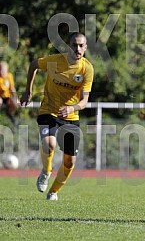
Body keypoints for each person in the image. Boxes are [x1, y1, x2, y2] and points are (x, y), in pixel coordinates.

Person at [20, 32, 94, 201]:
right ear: (69, 46)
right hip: (49, 110)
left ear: (85, 48)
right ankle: (46, 171)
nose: (77, 48)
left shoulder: (87, 69)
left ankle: (53, 192)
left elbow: (84, 102)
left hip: (71, 116)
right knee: (49, 144)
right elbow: (33, 64)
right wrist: (27, 91)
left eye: (81, 45)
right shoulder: (54, 61)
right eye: (74, 45)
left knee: (69, 161)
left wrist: (72, 108)